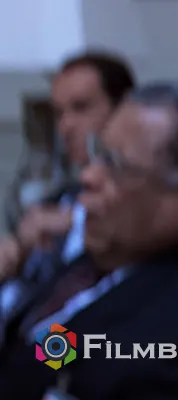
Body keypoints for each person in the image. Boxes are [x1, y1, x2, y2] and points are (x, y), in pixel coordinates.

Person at [0, 81, 178, 399]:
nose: (88, 176)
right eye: (98, 154)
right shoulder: (124, 253)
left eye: (115, 165)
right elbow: (55, 350)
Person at [0, 51, 136, 321]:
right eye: (59, 113)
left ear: (125, 109)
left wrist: (78, 219)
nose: (66, 126)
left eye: (81, 108)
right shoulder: (55, 202)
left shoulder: (143, 211)